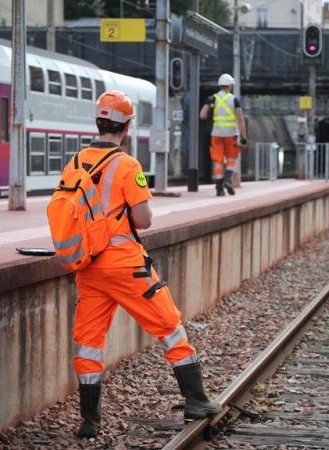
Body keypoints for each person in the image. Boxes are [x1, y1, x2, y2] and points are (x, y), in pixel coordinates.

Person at [65, 90, 220, 438]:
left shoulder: (74, 162)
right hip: (125, 265)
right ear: (127, 126)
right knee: (169, 325)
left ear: (98, 122)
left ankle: (90, 421)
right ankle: (195, 399)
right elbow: (144, 219)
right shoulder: (127, 165)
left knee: (88, 342)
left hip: (87, 267)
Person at [199, 73, 248, 196]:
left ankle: (219, 188)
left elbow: (202, 115)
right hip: (231, 134)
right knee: (231, 159)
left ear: (220, 85)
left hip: (216, 134)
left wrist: (212, 113)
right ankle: (227, 180)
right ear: (230, 86)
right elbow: (241, 120)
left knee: (218, 161)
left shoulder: (212, 98)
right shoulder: (234, 100)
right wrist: (244, 137)